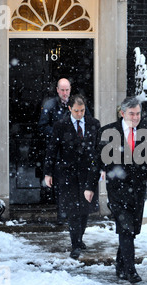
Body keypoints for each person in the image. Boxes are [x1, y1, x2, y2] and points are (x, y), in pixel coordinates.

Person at [84, 96, 147, 283]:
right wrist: (90, 186)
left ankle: (120, 265)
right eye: (131, 114)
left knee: (132, 230)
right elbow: (96, 162)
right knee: (125, 228)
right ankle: (130, 270)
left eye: (138, 114)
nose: (135, 118)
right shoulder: (108, 131)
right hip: (117, 188)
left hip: (138, 188)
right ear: (122, 113)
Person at [44, 94, 100, 259]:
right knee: (73, 210)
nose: (79, 114)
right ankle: (75, 243)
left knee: (85, 209)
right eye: (76, 110)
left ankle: (79, 238)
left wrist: (101, 169)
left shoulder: (94, 124)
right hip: (67, 173)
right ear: (69, 109)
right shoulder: (60, 125)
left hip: (87, 173)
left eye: (82, 110)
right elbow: (52, 149)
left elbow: (99, 149)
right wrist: (48, 172)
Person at [38, 78, 72, 224]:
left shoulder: (76, 104)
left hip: (73, 152)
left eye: (67, 90)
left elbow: (87, 121)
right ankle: (62, 215)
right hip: (57, 153)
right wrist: (59, 134)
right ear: (57, 90)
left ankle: (74, 215)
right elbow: (42, 127)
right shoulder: (50, 105)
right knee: (60, 185)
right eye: (62, 90)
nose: (65, 93)